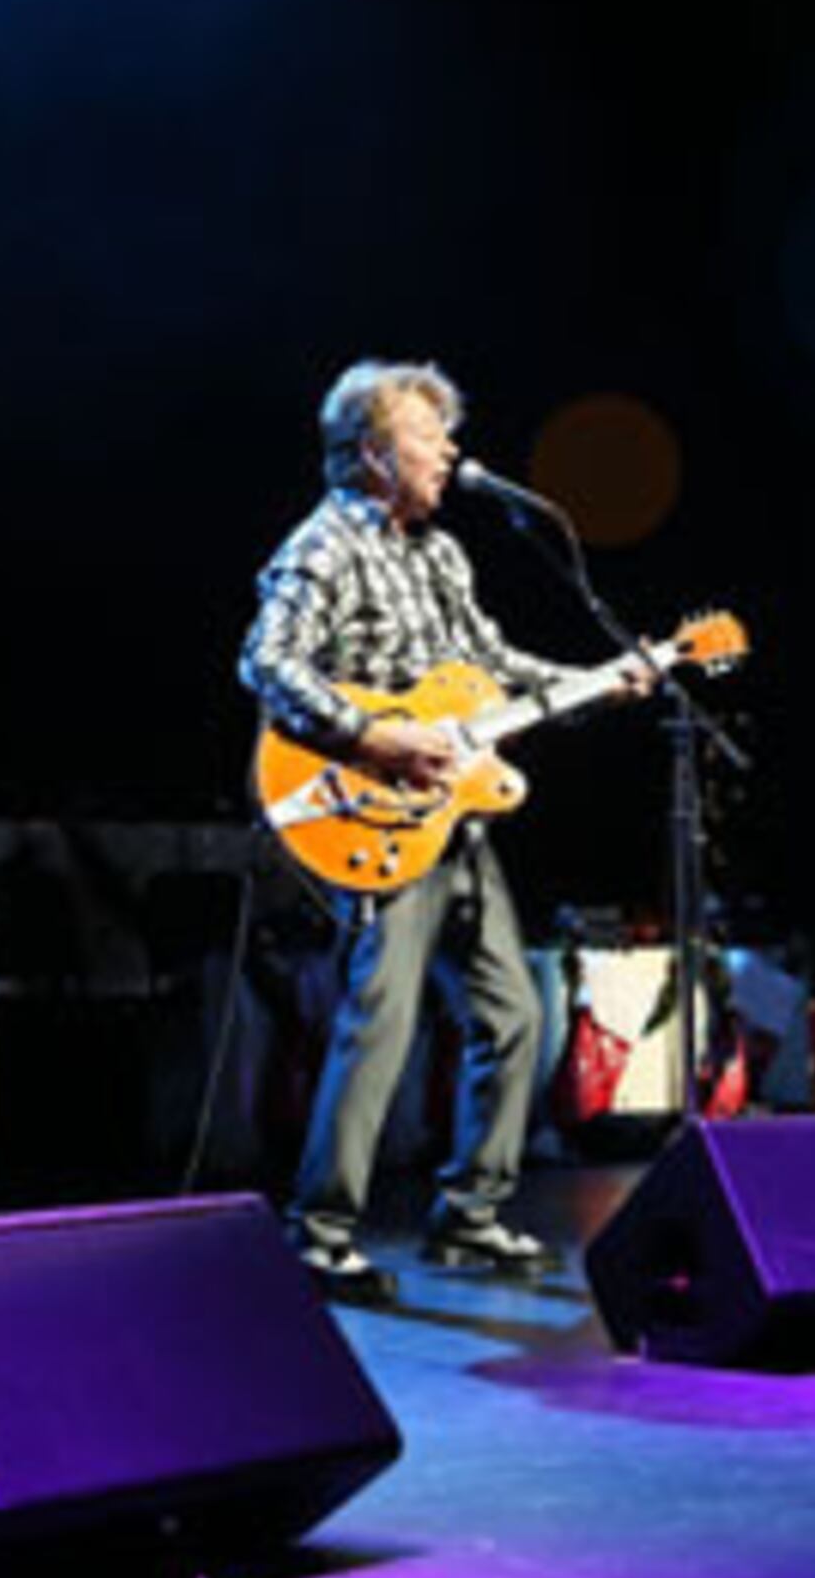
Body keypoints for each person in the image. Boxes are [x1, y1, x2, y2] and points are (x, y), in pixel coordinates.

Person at [241, 360, 645, 1305]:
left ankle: (471, 1215)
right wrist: (372, 734)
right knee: (380, 1020)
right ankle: (321, 1232)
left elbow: (490, 668)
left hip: (451, 817)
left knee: (514, 1012)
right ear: (374, 453)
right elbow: (265, 660)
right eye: (429, 436)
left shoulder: (441, 555)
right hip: (372, 812)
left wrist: (604, 679)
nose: (451, 452)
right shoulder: (327, 544)